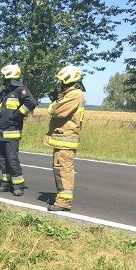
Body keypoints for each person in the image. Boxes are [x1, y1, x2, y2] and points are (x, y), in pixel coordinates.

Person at [44, 65, 86, 212]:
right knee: (59, 169)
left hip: (66, 139)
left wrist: (54, 102)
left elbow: (56, 111)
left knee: (64, 170)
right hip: (63, 138)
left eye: (63, 81)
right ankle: (60, 198)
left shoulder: (75, 95)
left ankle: (64, 203)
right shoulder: (71, 94)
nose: (61, 84)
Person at [0, 64, 37, 196]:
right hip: (0, 131)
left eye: (4, 76)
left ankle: (18, 185)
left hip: (12, 131)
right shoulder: (4, 92)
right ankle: (6, 183)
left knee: (12, 159)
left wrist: (17, 115)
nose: (2, 78)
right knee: (2, 158)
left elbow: (32, 103)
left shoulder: (20, 90)